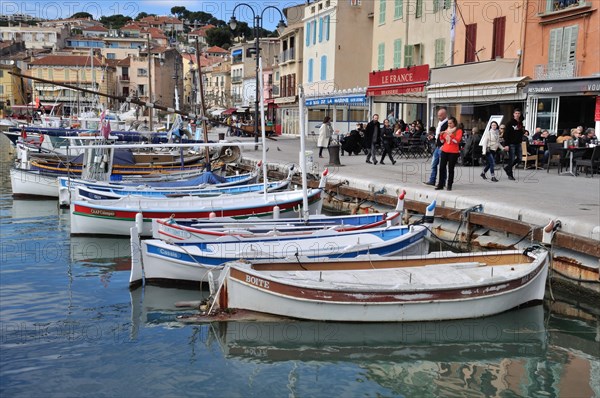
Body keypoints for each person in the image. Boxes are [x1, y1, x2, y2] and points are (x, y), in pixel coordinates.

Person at [435, 117, 462, 191]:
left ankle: (449, 185)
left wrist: (450, 135)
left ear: (454, 123)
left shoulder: (458, 131)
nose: (449, 125)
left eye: (450, 123)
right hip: (445, 150)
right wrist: (441, 135)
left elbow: (457, 141)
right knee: (441, 168)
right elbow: (442, 141)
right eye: (448, 123)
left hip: (453, 152)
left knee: (451, 169)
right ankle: (440, 184)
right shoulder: (446, 130)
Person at [424, 107, 448, 186]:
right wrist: (433, 137)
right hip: (437, 146)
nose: (438, 117)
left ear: (444, 115)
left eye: (440, 115)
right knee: (434, 164)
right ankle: (432, 180)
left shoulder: (447, 123)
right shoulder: (440, 123)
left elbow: (446, 135)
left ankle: (442, 182)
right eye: (438, 115)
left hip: (442, 147)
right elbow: (438, 135)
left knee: (442, 166)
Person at [502, 108, 524, 181]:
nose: (517, 115)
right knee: (511, 159)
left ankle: (507, 168)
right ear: (513, 114)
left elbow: (520, 133)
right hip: (511, 144)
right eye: (516, 113)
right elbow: (506, 135)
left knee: (520, 158)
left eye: (518, 113)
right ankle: (510, 174)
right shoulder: (509, 123)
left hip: (518, 143)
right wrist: (506, 144)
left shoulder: (520, 123)